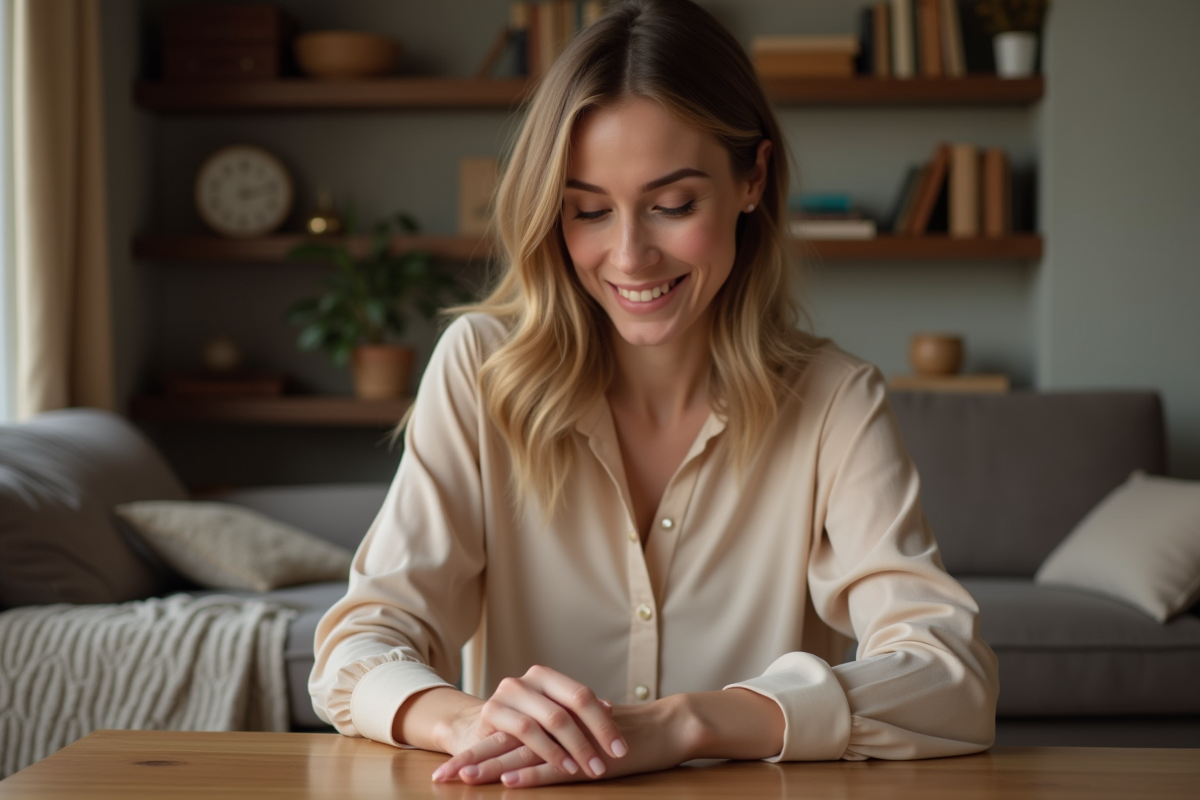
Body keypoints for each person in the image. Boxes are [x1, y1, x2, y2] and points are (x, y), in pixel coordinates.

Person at [309, 0, 999, 788]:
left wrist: (687, 722)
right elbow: (358, 646)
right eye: (588, 211)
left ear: (752, 180)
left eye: (673, 205)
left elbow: (954, 681)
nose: (630, 255)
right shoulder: (479, 369)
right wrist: (462, 718)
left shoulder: (835, 401)